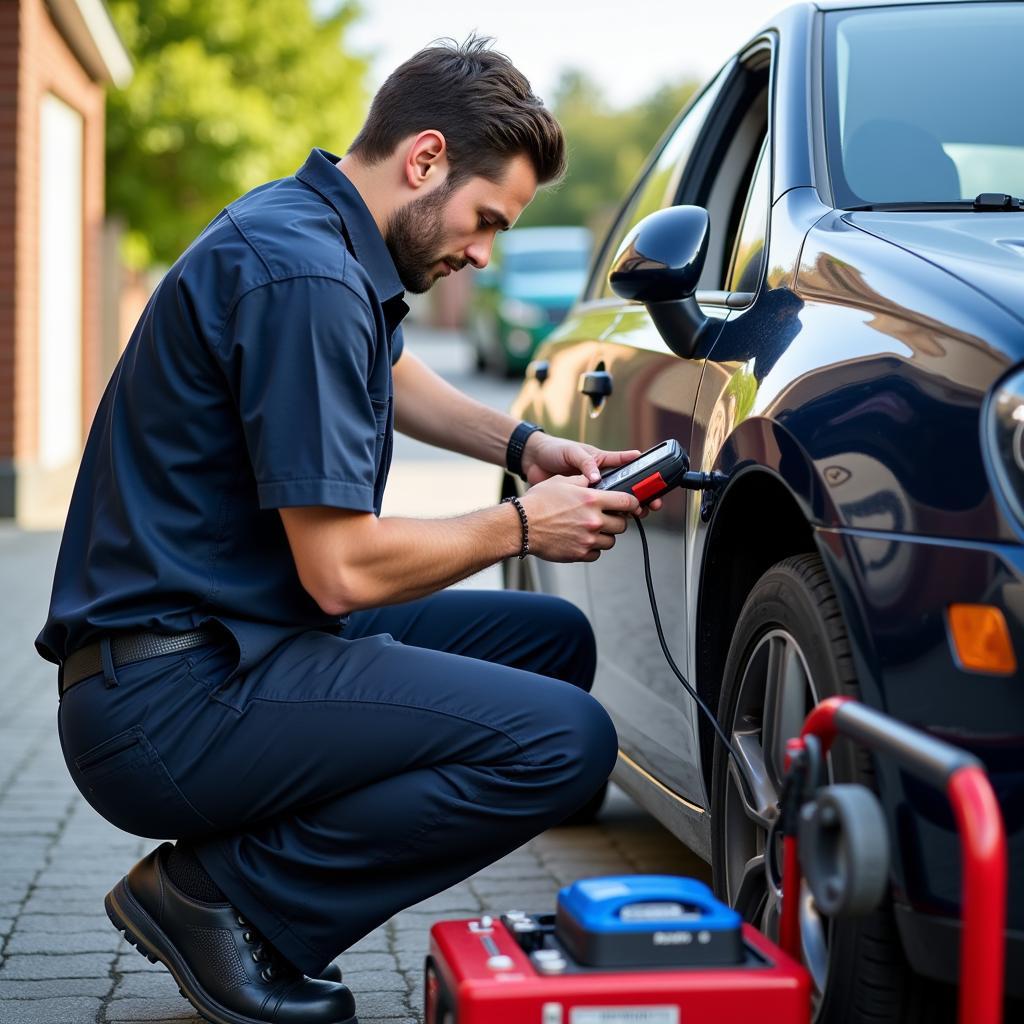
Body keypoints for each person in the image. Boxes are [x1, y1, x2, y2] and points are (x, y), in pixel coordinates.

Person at [37, 36, 658, 1024]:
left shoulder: (315, 236)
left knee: (552, 646)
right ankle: (222, 901)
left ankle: (236, 879)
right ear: (423, 160)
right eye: (484, 218)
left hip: (224, 648)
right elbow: (338, 573)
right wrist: (520, 525)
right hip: (168, 705)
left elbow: (393, 375)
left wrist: (525, 445)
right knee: (562, 741)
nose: (483, 253)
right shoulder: (306, 279)